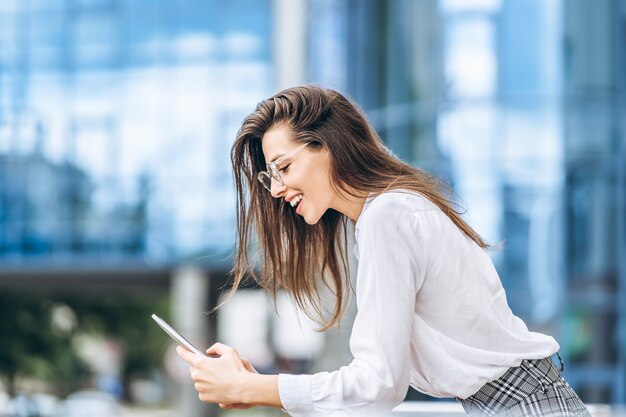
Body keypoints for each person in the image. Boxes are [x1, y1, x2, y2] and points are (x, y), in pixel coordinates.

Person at [176, 85, 591, 417]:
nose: (278, 189)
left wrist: (257, 387)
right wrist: (262, 388)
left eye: (284, 167)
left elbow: (378, 386)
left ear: (328, 145)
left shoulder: (389, 215)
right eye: (270, 177)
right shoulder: (388, 212)